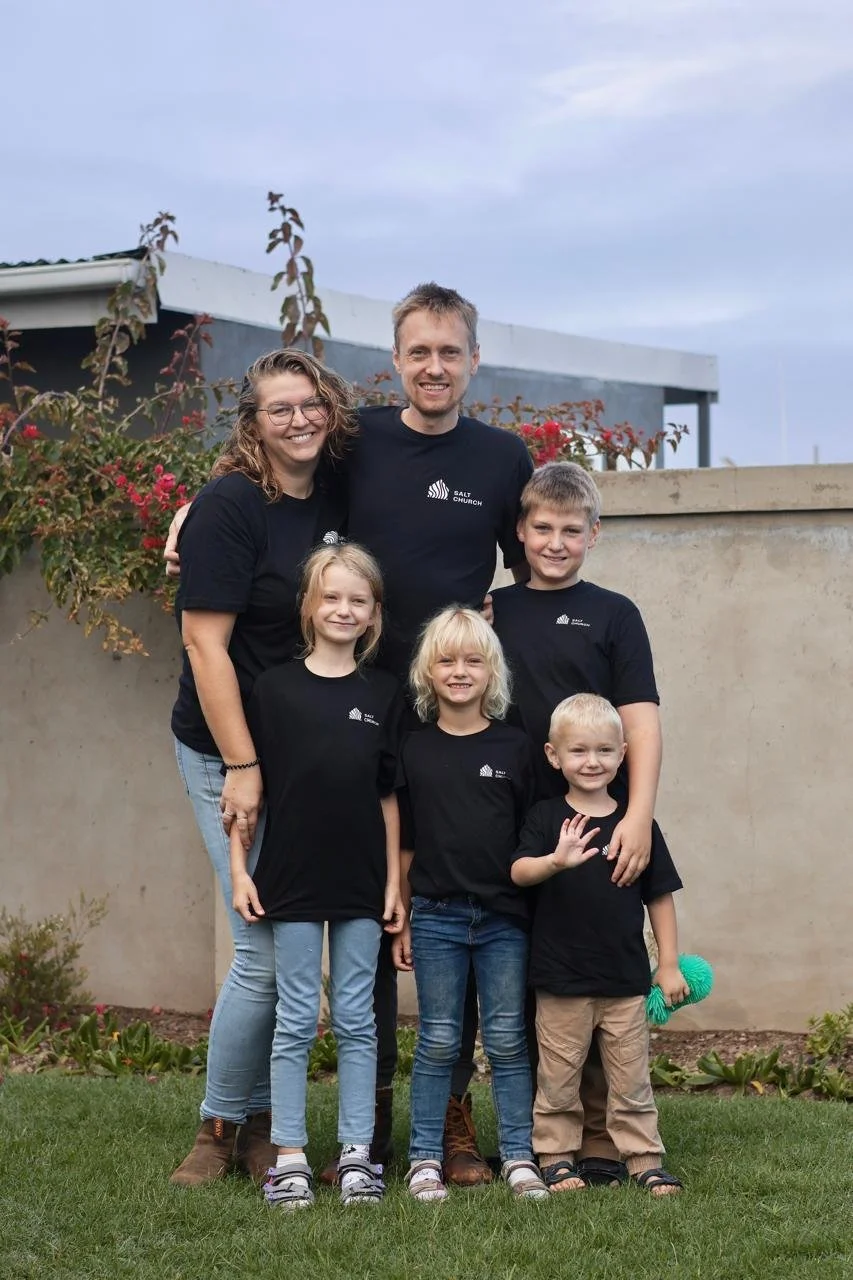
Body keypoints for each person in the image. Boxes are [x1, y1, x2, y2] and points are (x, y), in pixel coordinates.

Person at [166, 283, 536, 1185]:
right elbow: (208, 625)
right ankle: (233, 1126)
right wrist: (191, 513)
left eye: (449, 351)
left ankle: (396, 1122)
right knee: (272, 942)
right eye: (418, 351)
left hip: (385, 730)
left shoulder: (434, 461)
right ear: (394, 360)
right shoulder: (295, 472)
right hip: (253, 744)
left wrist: (488, 619)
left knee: (398, 914)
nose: (434, 367)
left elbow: (530, 556)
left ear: (473, 359)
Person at [169, 348, 353, 1186]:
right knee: (265, 952)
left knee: (285, 949)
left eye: (311, 404)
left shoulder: (338, 493)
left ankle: (259, 1126)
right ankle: (218, 1128)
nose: (299, 419)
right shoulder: (231, 505)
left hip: (303, 753)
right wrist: (242, 764)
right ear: (253, 422)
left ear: (332, 409)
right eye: (279, 408)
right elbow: (203, 644)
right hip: (226, 750)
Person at [491, 460, 663, 1187]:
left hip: (596, 822)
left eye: (570, 529)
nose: (555, 542)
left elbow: (640, 721)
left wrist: (639, 815)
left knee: (594, 967)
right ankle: (533, 1129)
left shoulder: (614, 614)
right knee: (533, 979)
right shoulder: (494, 610)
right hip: (513, 822)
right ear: (519, 532)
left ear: (593, 534)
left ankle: (599, 1133)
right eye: (542, 528)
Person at [231, 543, 404, 1209]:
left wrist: (393, 884)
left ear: (373, 614)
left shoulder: (383, 693)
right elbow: (248, 795)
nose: (343, 609)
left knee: (358, 1018)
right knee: (296, 1018)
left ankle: (357, 1154)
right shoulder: (273, 690)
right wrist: (240, 871)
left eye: (357, 600)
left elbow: (388, 798)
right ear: (307, 606)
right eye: (330, 597)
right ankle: (291, 1156)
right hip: (291, 879)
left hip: (360, 882)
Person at [392, 608, 548, 1202]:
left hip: (504, 920)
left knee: (506, 1039)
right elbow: (406, 842)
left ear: (492, 672)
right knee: (437, 1040)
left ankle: (519, 1157)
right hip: (436, 917)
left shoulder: (516, 746)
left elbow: (531, 835)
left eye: (473, 661)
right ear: (427, 672)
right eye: (447, 661)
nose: (460, 671)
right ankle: (424, 1159)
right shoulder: (414, 749)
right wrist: (404, 915)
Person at [511, 693, 685, 1196]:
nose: (592, 761)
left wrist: (668, 963)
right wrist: (556, 860)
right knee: (559, 1078)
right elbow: (519, 871)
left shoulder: (637, 825)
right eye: (579, 750)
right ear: (553, 756)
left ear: (623, 753)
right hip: (561, 978)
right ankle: (556, 1158)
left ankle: (644, 1159)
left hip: (624, 980)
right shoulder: (546, 818)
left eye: (605, 750)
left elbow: (659, 896)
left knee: (630, 1080)